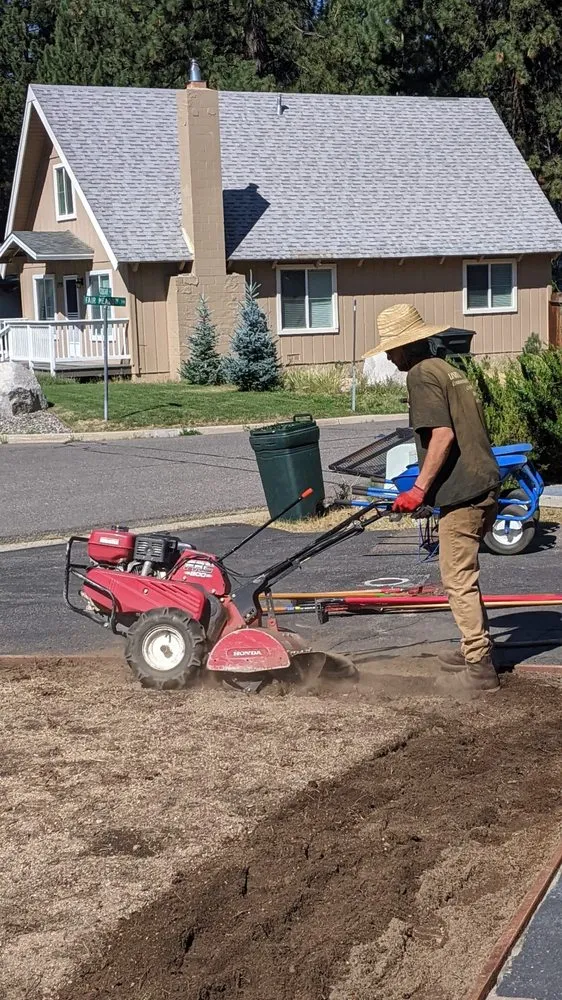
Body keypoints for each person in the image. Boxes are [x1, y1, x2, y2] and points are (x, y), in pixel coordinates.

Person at [364, 304, 501, 692]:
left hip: (464, 494)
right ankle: (473, 646)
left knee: (457, 579)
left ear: (408, 346)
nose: (389, 357)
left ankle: (479, 664)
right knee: (464, 576)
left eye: (391, 349)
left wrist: (419, 489)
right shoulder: (448, 369)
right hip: (483, 484)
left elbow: (442, 435)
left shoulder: (422, 374)